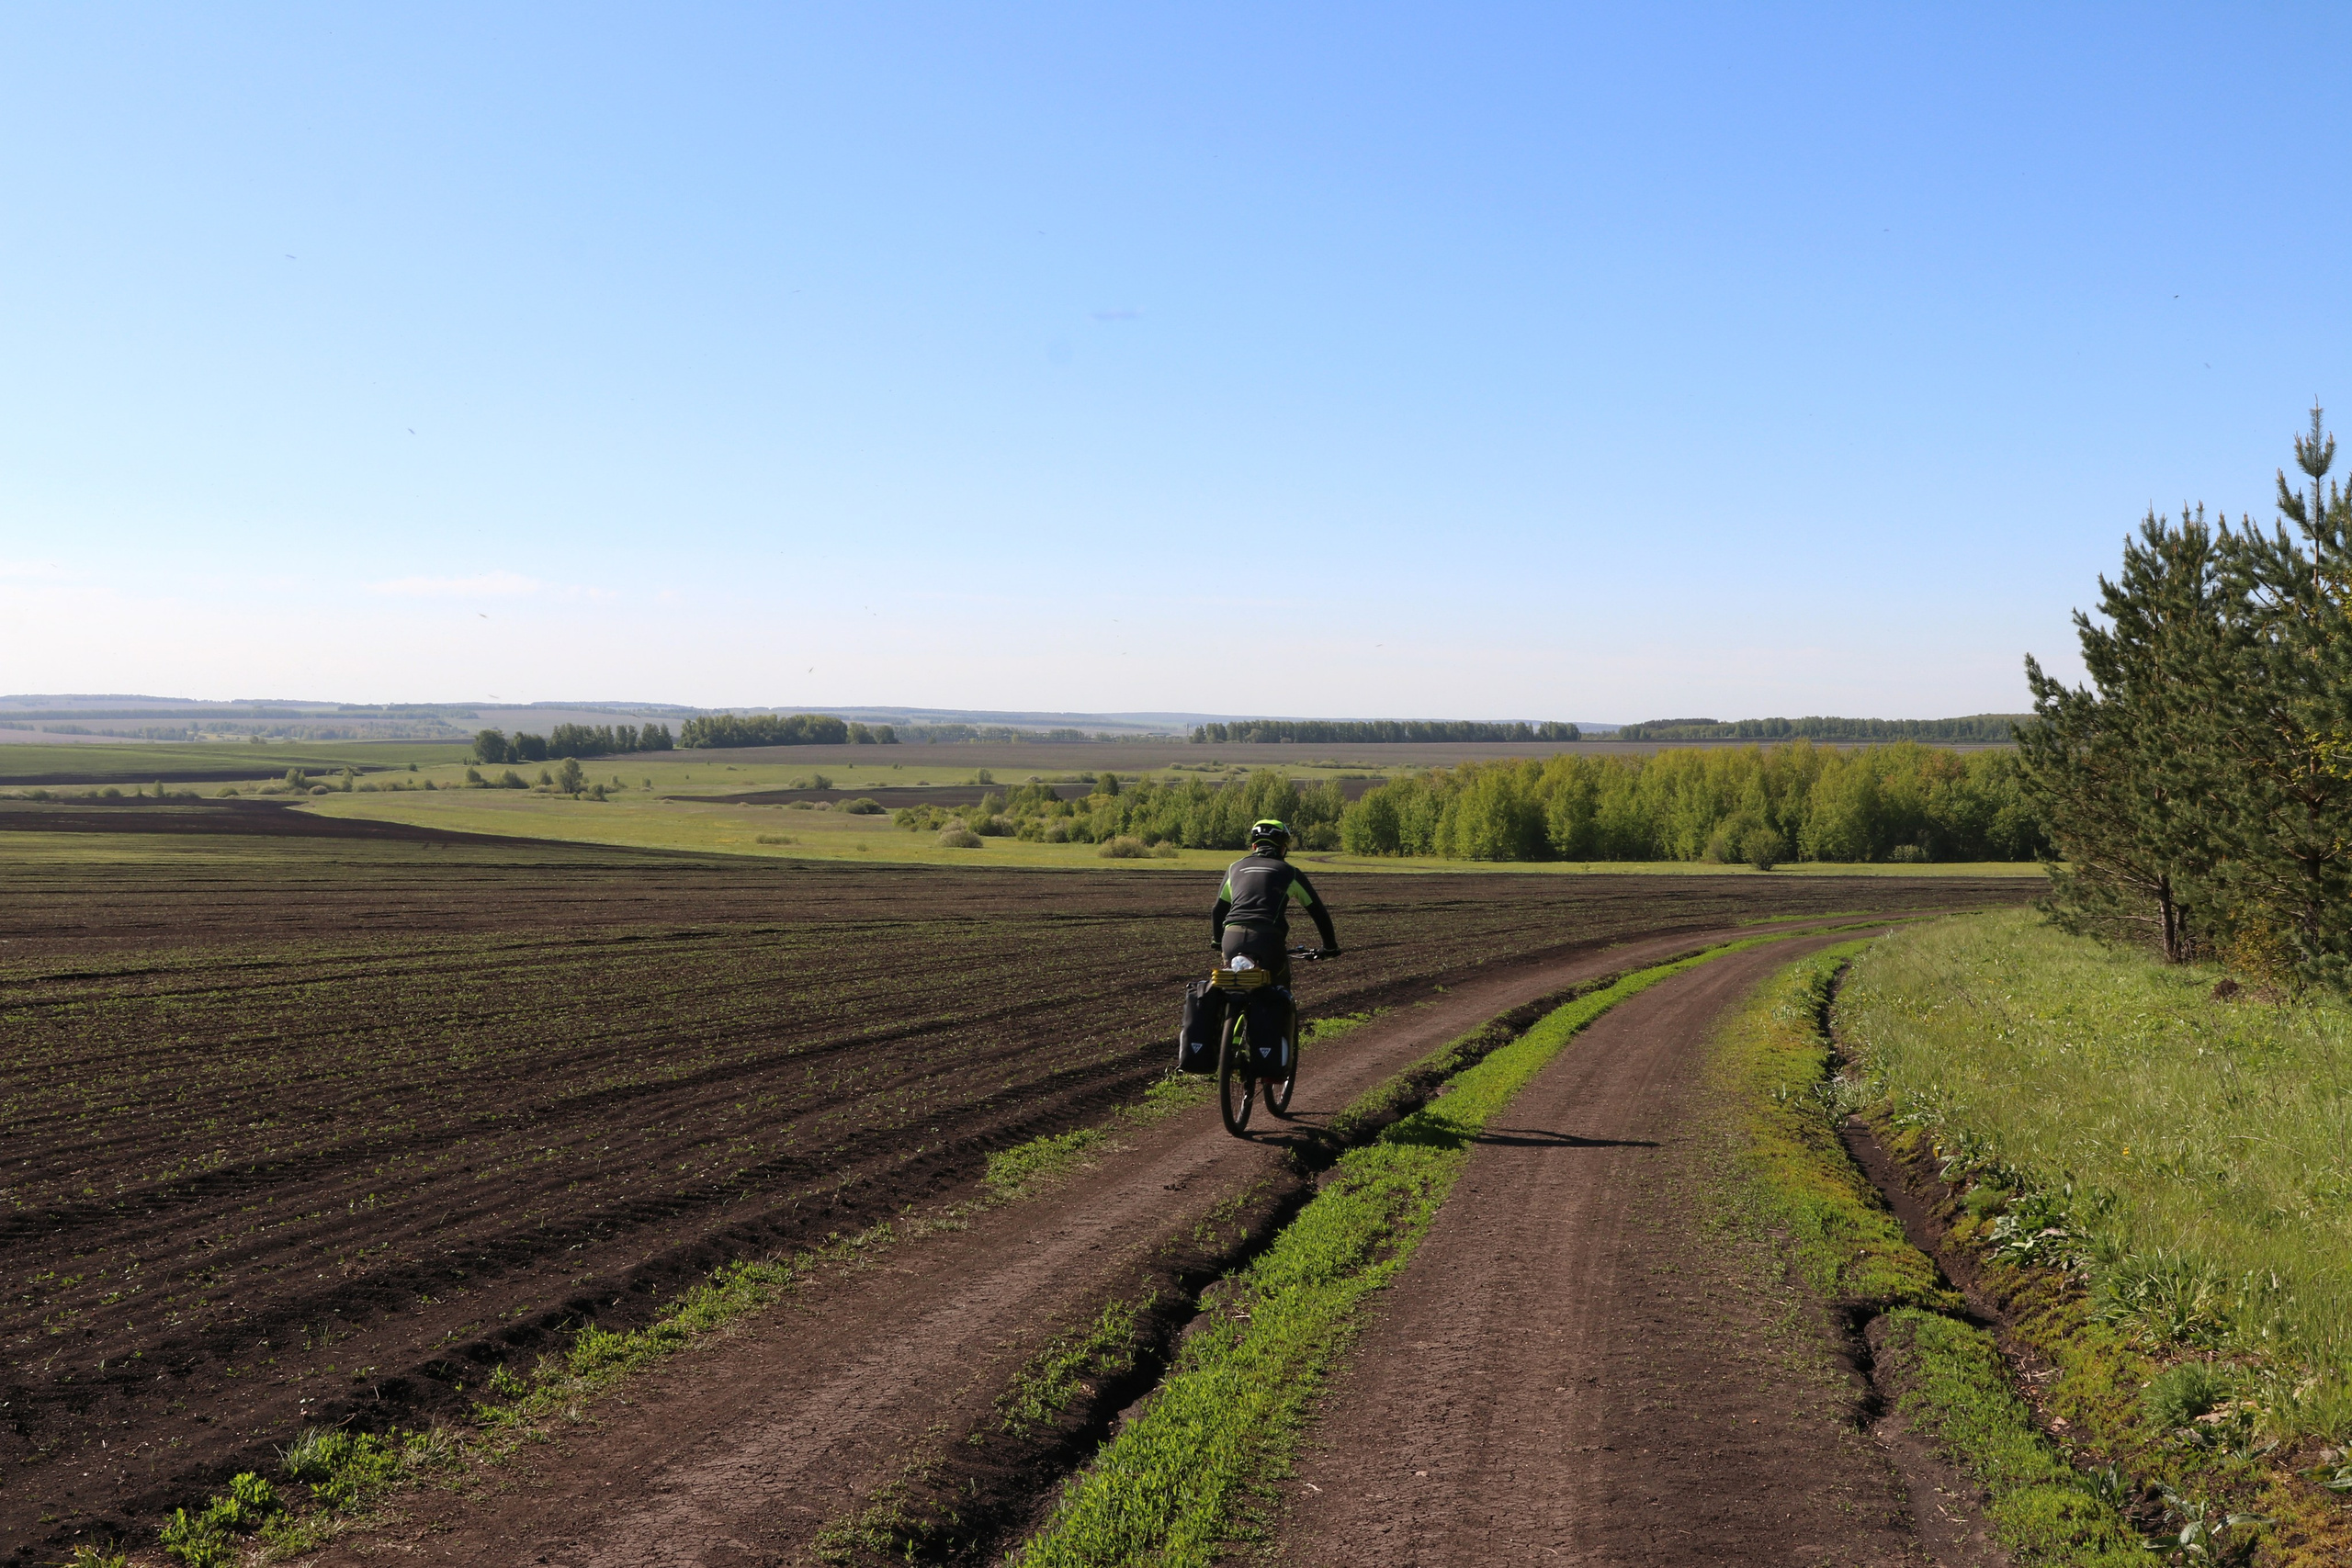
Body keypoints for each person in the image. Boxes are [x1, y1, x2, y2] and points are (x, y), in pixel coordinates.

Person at [1211, 818, 1340, 989]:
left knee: (1231, 987)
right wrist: (1329, 947)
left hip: (1231, 938)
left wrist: (1218, 941)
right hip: (1267, 939)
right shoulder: (1290, 872)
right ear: (1282, 848)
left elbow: (1218, 910)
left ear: (1254, 847)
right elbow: (1319, 913)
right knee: (1278, 991)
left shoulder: (1234, 868)